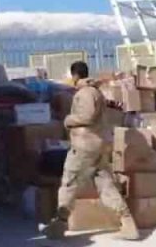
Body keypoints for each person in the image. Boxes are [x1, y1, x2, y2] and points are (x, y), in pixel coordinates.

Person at [45, 62, 139, 241]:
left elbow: (86, 116)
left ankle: (59, 224)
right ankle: (128, 223)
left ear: (74, 75)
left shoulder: (86, 93)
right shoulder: (95, 91)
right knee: (105, 185)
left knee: (69, 182)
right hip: (98, 145)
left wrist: (68, 120)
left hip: (84, 146)